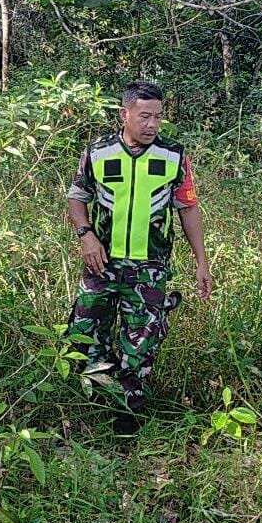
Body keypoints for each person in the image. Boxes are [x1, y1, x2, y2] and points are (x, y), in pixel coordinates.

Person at [65, 80, 213, 435]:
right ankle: (100, 398)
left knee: (142, 342)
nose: (152, 124)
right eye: (144, 116)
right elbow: (76, 197)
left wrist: (202, 262)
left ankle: (127, 415)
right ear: (125, 114)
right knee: (85, 334)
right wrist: (86, 236)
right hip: (101, 263)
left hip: (150, 267)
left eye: (158, 117)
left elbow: (188, 208)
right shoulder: (98, 152)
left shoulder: (173, 156)